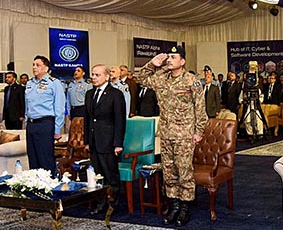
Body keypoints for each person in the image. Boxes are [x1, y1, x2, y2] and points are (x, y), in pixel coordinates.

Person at [135, 46, 207, 226]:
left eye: (173, 57)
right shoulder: (161, 78)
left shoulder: (192, 81)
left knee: (184, 172)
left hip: (184, 134)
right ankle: (173, 205)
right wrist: (152, 64)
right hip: (166, 134)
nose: (169, 60)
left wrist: (199, 132)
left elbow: (200, 108)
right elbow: (140, 79)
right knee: (169, 172)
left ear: (182, 61)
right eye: (168, 57)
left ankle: (184, 208)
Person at [84, 64, 126, 213]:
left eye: (97, 75)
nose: (94, 78)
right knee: (97, 173)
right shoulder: (89, 94)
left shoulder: (115, 94)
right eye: (93, 75)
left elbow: (120, 121)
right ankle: (101, 201)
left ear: (107, 76)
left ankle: (112, 202)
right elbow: (88, 119)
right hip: (94, 141)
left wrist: (118, 144)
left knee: (110, 173)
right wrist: (87, 141)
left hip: (109, 141)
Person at [25, 55, 66, 176]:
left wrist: (57, 128)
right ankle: (35, 186)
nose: (34, 67)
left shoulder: (54, 83)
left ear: (46, 68)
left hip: (45, 123)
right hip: (31, 124)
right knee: (33, 157)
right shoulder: (30, 83)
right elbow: (28, 105)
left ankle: (50, 186)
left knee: (45, 158)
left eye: (38, 65)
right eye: (33, 65)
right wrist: (26, 122)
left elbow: (59, 107)